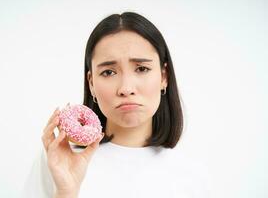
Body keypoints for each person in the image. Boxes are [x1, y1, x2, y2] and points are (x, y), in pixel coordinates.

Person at [22, 11, 211, 198]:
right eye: (108, 72)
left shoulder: (193, 176)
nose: (126, 88)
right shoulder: (59, 160)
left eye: (142, 68)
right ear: (91, 83)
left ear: (164, 76)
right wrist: (66, 192)